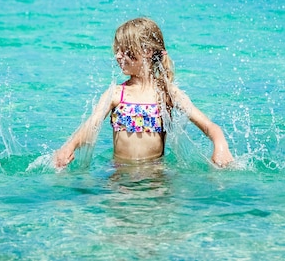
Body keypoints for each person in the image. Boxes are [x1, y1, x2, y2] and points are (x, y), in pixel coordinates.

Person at [54, 17, 235, 169]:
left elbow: (210, 127)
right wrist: (69, 146)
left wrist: (220, 146)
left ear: (147, 51)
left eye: (124, 50)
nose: (117, 55)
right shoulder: (116, 93)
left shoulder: (167, 92)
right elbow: (90, 126)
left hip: (156, 177)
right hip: (119, 176)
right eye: (116, 50)